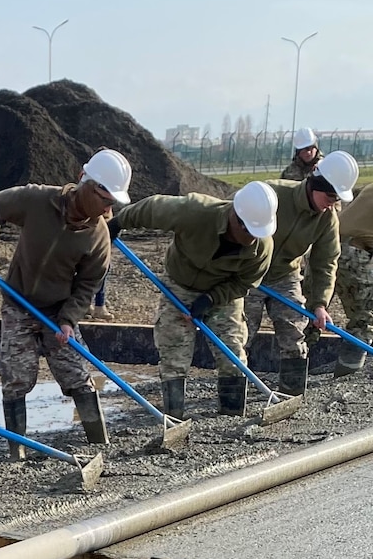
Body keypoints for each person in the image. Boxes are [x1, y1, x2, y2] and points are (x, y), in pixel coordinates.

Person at [0, 148, 133, 456]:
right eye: (104, 197)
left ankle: (99, 444)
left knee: (77, 374)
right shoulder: (37, 200)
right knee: (16, 376)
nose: (107, 207)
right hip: (19, 303)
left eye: (112, 201)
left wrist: (69, 319)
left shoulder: (98, 237)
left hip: (58, 311)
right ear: (84, 181)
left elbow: (88, 285)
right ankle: (16, 452)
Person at [110, 182, 277, 417]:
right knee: (173, 351)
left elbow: (245, 283)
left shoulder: (262, 247)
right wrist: (118, 223)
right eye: (248, 230)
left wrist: (210, 299)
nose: (252, 238)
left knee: (232, 351)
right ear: (234, 216)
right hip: (180, 284)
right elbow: (152, 208)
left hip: (222, 292)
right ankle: (174, 416)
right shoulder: (197, 212)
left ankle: (231, 414)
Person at [244, 151, 358, 396]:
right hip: (248, 274)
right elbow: (230, 219)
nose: (333, 203)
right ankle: (231, 402)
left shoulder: (328, 218)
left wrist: (320, 304)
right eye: (330, 196)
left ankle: (291, 393)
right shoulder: (274, 194)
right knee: (240, 335)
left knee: (295, 335)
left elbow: (326, 262)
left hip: (285, 276)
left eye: (337, 198)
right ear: (316, 184)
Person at [331, 182, 373, 378]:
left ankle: (301, 359)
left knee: (312, 309)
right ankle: (349, 372)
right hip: (356, 253)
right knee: (366, 316)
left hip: (328, 244)